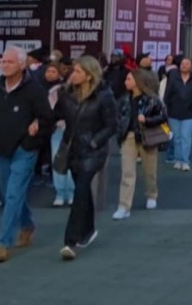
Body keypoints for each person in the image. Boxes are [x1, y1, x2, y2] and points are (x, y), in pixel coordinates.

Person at [0, 45, 54, 264]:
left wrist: (36, 129)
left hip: (24, 149)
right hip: (0, 148)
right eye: (3, 61)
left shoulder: (34, 89)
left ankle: (3, 243)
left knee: (13, 194)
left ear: (22, 65)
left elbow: (47, 118)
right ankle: (27, 225)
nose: (4, 65)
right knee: (7, 194)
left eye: (10, 62)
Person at [54, 55, 119, 261]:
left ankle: (70, 241)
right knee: (83, 193)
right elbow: (54, 115)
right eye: (73, 70)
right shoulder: (66, 94)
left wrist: (94, 141)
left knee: (80, 190)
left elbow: (111, 125)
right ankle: (88, 229)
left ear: (90, 75)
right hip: (72, 149)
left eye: (78, 71)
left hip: (93, 151)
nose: (73, 74)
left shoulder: (104, 95)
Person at [115, 68, 165, 220]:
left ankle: (151, 194)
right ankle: (124, 206)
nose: (125, 82)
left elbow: (163, 117)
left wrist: (147, 120)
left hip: (147, 136)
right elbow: (118, 117)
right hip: (128, 136)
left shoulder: (152, 99)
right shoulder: (124, 99)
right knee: (127, 172)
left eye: (129, 79)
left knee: (149, 170)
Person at [163, 55, 192, 171]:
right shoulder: (173, 78)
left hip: (189, 113)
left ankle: (185, 161)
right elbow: (167, 95)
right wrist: (168, 107)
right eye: (182, 64)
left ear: (191, 67)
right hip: (174, 113)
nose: (184, 65)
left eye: (187, 64)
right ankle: (177, 159)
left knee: (186, 137)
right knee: (177, 138)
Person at [43, 63, 74, 207]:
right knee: (57, 160)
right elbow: (50, 112)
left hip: (74, 130)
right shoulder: (53, 91)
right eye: (48, 71)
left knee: (72, 161)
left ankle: (72, 192)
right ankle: (60, 192)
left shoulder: (79, 92)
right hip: (57, 130)